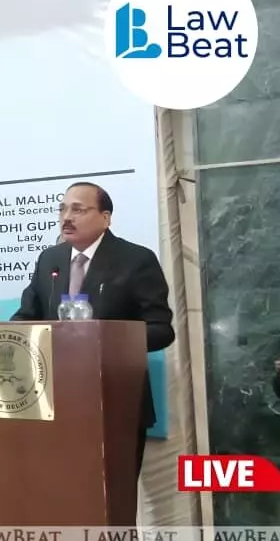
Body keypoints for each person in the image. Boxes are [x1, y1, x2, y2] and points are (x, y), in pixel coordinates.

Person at [11, 181, 174, 477]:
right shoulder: (50, 259)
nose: (66, 217)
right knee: (59, 490)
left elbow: (161, 330)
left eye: (78, 210)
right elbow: (26, 316)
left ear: (105, 217)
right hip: (53, 401)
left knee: (111, 494)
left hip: (115, 403)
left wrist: (105, 341)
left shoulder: (136, 260)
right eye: (62, 209)